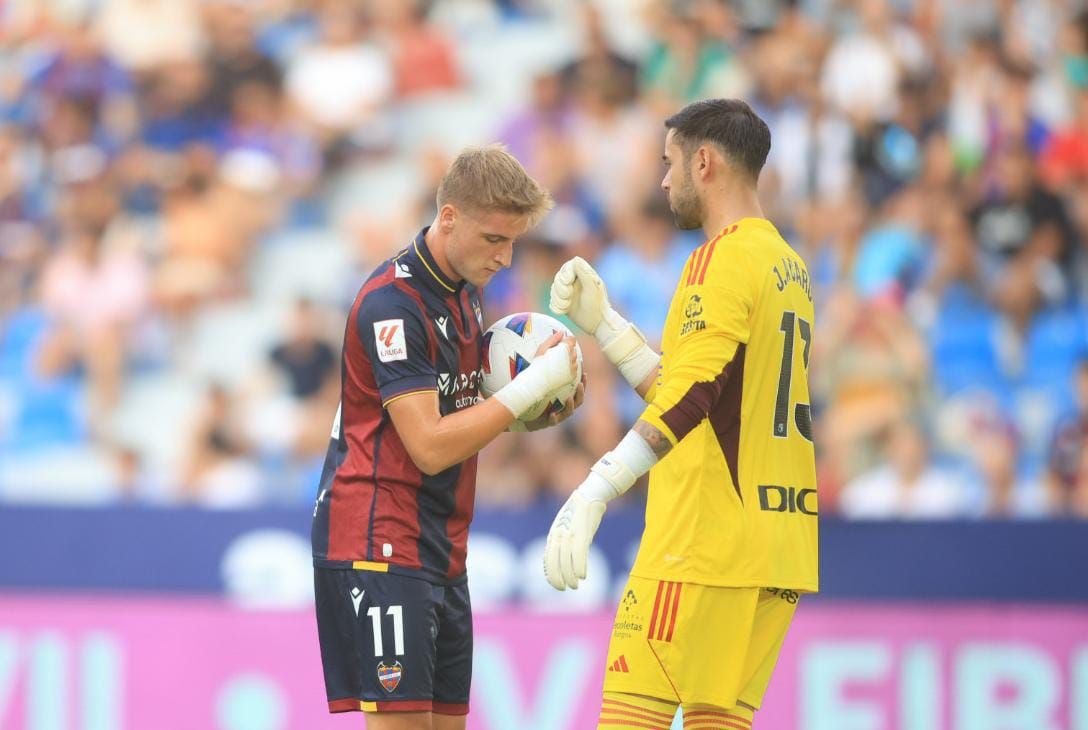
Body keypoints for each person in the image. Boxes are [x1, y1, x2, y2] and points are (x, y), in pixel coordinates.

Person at [543, 99, 818, 729]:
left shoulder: (717, 258)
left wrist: (597, 487)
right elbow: (704, 389)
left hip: (703, 544)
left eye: (669, 164)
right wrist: (607, 327)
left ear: (704, 162)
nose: (664, 181)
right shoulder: (788, 265)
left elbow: (692, 398)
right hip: (778, 547)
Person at [311, 145, 581, 729]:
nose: (506, 258)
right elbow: (429, 444)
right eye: (494, 240)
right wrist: (522, 393)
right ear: (450, 217)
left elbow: (460, 414)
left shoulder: (463, 289)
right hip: (380, 540)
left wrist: (535, 405)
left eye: (514, 242)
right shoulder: (393, 304)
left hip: (440, 543)